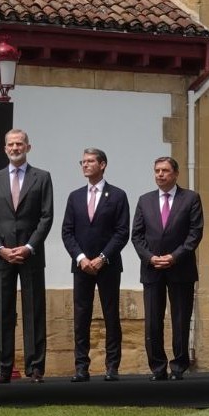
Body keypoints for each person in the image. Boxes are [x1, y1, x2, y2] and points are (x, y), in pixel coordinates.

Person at [0, 128, 54, 383]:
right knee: (2, 313)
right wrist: (0, 249)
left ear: (28, 147)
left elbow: (46, 217)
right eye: (11, 144)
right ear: (5, 149)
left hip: (31, 255)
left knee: (33, 312)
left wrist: (29, 246)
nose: (15, 148)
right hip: (1, 257)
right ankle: (2, 369)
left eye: (20, 144)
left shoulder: (42, 178)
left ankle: (35, 368)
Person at [131, 156, 204, 380]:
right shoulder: (145, 200)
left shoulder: (190, 198)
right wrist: (150, 258)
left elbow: (195, 233)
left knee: (180, 319)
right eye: (156, 171)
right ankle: (157, 367)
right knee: (153, 320)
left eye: (164, 171)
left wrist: (174, 256)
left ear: (175, 174)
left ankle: (179, 366)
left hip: (180, 269)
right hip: (152, 269)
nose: (160, 175)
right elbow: (137, 235)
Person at [61, 148, 130, 382]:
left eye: (90, 161)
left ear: (103, 165)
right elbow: (67, 232)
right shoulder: (75, 196)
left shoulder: (118, 196)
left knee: (111, 316)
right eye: (83, 161)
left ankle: (112, 367)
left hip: (108, 266)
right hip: (81, 267)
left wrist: (102, 258)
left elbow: (122, 233)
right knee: (82, 316)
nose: (85, 165)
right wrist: (81, 258)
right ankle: (81, 367)